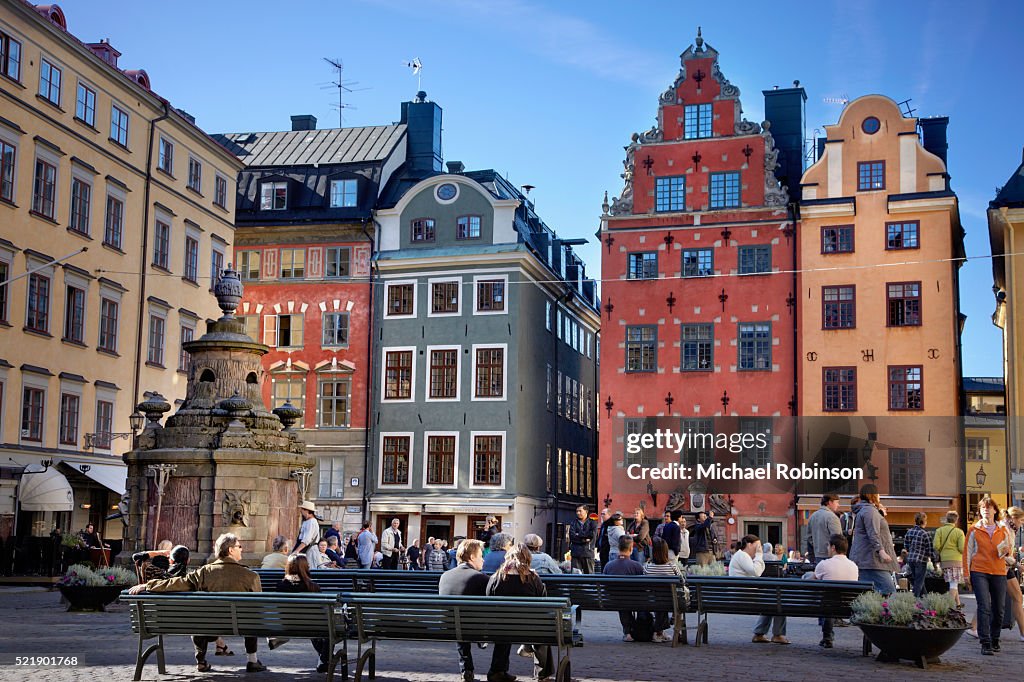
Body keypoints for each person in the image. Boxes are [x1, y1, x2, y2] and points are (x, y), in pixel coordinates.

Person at [127, 533, 266, 673]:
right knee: (251, 615)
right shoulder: (251, 576)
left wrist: (148, 585)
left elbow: (177, 582)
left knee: (199, 617)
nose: (241, 549)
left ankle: (201, 660)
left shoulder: (204, 572)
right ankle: (252, 660)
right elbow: (258, 607)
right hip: (243, 625)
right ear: (230, 550)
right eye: (239, 546)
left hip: (209, 625)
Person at [486, 544, 553, 681]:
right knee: (543, 630)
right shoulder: (533, 578)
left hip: (501, 627)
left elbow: (488, 599)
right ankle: (543, 673)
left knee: (504, 629)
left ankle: (497, 671)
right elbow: (543, 603)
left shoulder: (496, 578)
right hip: (529, 628)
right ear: (527, 558)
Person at [439, 539, 492, 682]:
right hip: (475, 628)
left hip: (449, 627)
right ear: (472, 557)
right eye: (481, 555)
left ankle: (466, 669)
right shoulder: (481, 578)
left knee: (459, 623)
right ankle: (498, 670)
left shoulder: (445, 576)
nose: (483, 560)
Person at [965, 496, 1013, 655]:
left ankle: (995, 639)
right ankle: (985, 642)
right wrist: (966, 574)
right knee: (984, 606)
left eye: (989, 507)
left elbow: (1009, 554)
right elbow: (967, 552)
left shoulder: (1003, 530)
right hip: (979, 571)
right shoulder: (974, 529)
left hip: (999, 571)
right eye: (983, 507)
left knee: (999, 609)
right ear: (979, 511)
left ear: (995, 510)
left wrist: (1007, 554)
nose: (986, 509)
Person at [273, 554, 332, 672]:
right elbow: (320, 611)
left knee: (313, 625)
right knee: (328, 627)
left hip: (286, 625)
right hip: (310, 624)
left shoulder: (280, 586)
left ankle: (325, 658)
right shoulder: (313, 587)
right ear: (305, 567)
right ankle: (325, 657)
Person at [729, 534, 788, 645]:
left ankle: (760, 633)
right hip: (744, 594)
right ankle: (777, 634)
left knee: (773, 600)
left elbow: (758, 572)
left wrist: (758, 557)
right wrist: (759, 555)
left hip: (742, 592)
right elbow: (756, 572)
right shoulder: (742, 556)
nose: (759, 549)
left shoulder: (742, 556)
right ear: (749, 544)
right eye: (758, 546)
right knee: (779, 600)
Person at [804, 534, 858, 648]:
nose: (827, 549)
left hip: (828, 606)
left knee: (828, 599)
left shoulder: (824, 564)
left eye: (828, 546)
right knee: (831, 598)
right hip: (848, 606)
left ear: (833, 548)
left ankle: (827, 637)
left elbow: (809, 582)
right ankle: (827, 637)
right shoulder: (854, 566)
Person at [849, 483, 898, 595]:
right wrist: (882, 552)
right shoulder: (869, 511)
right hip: (872, 561)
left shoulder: (865, 510)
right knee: (890, 592)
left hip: (866, 560)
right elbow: (873, 533)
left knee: (869, 594)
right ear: (873, 495)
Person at [603, 535, 645, 641]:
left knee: (621, 599)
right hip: (635, 599)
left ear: (618, 547)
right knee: (630, 598)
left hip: (614, 600)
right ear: (631, 549)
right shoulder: (637, 566)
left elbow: (605, 586)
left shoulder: (608, 566)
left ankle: (627, 632)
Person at [643, 537, 683, 643]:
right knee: (666, 599)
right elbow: (682, 582)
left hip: (652, 601)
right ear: (666, 551)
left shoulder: (647, 567)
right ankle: (661, 632)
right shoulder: (672, 566)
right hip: (671, 602)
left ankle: (659, 631)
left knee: (659, 599)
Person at [933, 510, 966, 608]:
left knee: (952, 582)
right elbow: (962, 548)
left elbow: (936, 545)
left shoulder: (939, 530)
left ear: (946, 519)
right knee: (953, 584)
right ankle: (949, 607)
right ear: (956, 521)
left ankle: (958, 604)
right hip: (956, 560)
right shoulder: (959, 532)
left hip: (944, 560)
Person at [904, 512, 938, 597]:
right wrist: (934, 563)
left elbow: (906, 545)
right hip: (921, 560)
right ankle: (915, 601)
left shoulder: (909, 532)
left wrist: (911, 552)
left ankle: (926, 599)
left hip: (911, 559)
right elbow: (930, 550)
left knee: (919, 581)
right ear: (924, 521)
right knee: (919, 582)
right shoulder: (925, 534)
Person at [808, 494, 842, 563]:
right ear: (830, 502)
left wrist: (817, 546)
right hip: (831, 556)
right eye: (837, 502)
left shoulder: (813, 516)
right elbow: (838, 538)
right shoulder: (832, 517)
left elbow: (809, 537)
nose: (838, 505)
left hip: (817, 554)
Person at [568, 505, 598, 574]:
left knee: (589, 576)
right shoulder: (573, 523)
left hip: (588, 553)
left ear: (586, 511)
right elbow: (572, 537)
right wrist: (584, 539)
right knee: (575, 576)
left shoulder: (592, 523)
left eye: (580, 511)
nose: (578, 513)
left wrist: (578, 534)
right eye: (577, 511)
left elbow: (592, 536)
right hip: (576, 553)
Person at [294, 501, 322, 568]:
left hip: (310, 550)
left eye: (302, 509)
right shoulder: (307, 521)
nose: (301, 511)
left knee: (310, 569)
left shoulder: (312, 522)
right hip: (307, 549)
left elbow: (307, 539)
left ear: (307, 511)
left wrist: (296, 551)